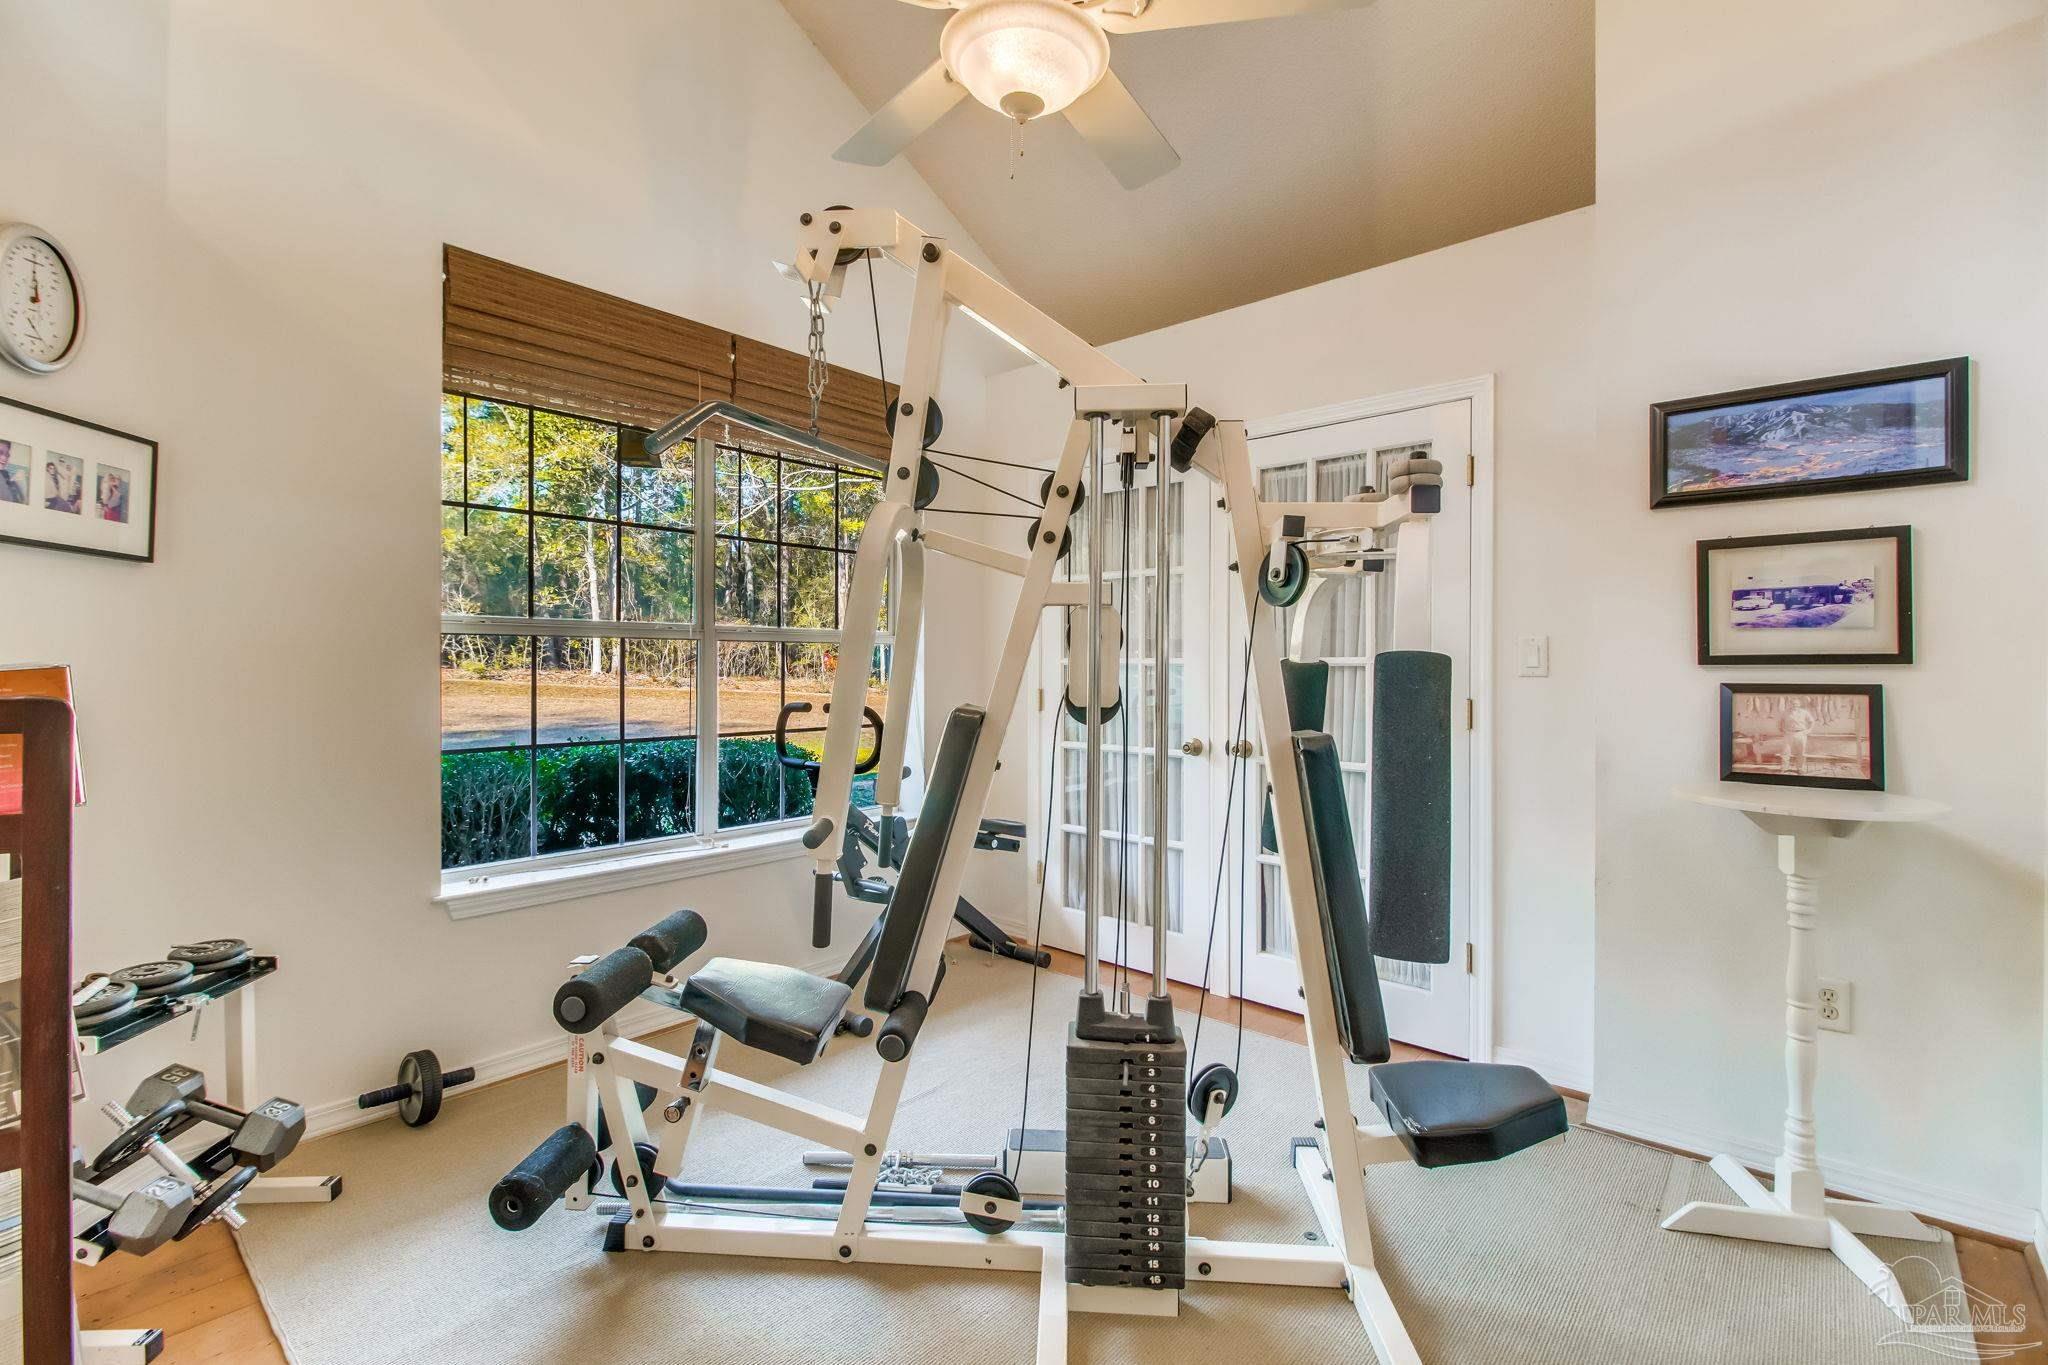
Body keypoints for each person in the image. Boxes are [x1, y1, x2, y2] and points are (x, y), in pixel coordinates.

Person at [1779, 700, 1816, 773]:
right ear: (1790, 704)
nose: (1794, 705)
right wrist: (1782, 729)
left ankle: (1800, 768)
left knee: (1801, 752)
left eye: (1796, 704)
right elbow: (1780, 721)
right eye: (1793, 704)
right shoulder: (1785, 712)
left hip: (1801, 733)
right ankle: (1784, 768)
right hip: (1789, 733)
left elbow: (1812, 721)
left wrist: (1808, 731)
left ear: (1799, 704)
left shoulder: (1804, 712)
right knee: (1785, 751)